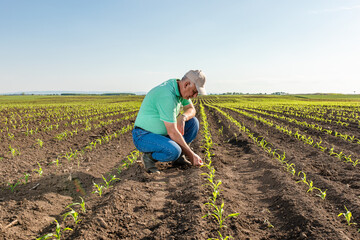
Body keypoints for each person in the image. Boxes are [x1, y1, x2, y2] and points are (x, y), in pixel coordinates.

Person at [132, 70, 207, 174]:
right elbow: (172, 132)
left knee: (193, 123)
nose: (194, 96)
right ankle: (148, 158)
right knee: (173, 151)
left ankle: (179, 159)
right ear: (186, 84)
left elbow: (191, 109)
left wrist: (183, 117)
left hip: (163, 134)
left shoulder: (179, 88)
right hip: (144, 136)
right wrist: (191, 154)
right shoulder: (167, 95)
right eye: (194, 92)